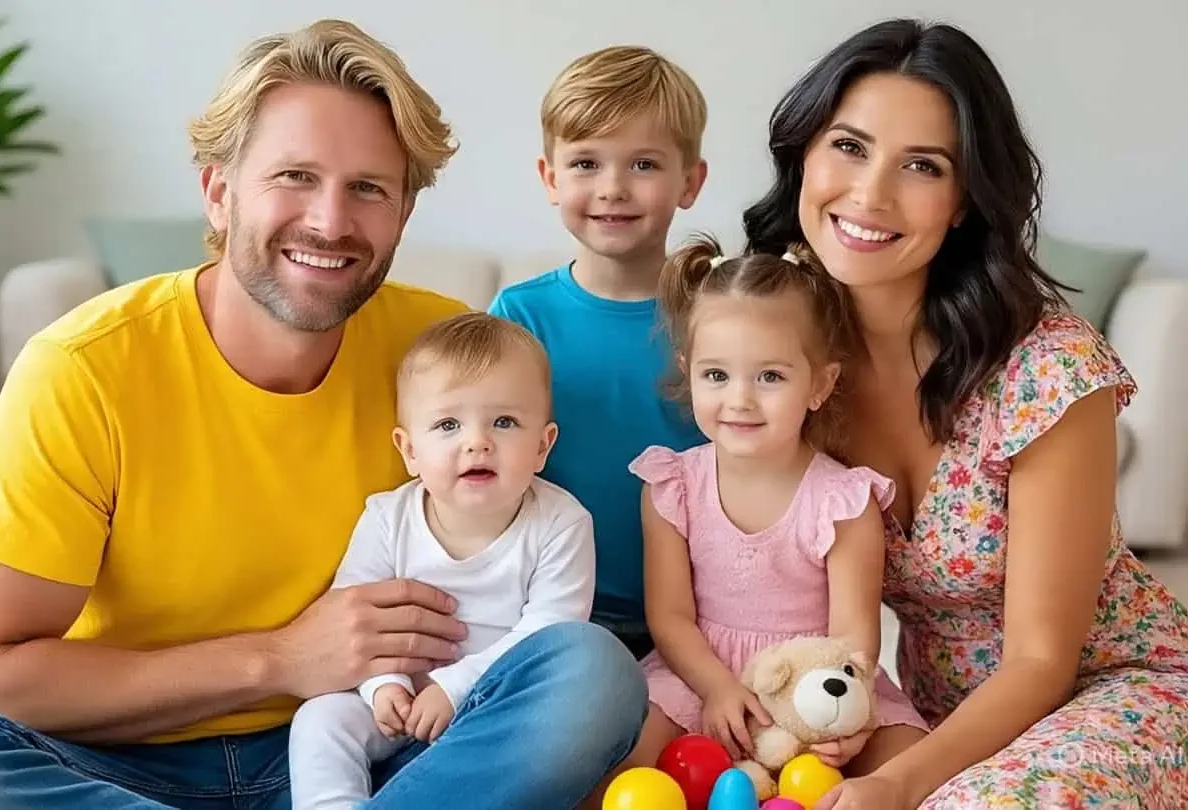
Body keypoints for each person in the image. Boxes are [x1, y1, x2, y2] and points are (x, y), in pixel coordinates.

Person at [0, 19, 647, 810]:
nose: (330, 222)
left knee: (591, 670)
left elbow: (543, 558)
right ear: (219, 193)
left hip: (378, 755)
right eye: (294, 175)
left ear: (402, 214)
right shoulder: (84, 369)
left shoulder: (435, 357)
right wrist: (279, 659)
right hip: (110, 761)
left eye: (368, 187)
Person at [740, 18, 1188, 810]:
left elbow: (1042, 662)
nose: (870, 194)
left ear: (962, 203)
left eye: (922, 165)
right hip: (936, 720)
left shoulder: (1048, 368)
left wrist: (898, 782)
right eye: (849, 146)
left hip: (1117, 693)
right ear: (803, 154)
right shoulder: (784, 370)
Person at [612, 234, 929, 794]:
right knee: (625, 770)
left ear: (820, 385)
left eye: (770, 377)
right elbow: (670, 617)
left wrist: (842, 714)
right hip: (701, 672)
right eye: (717, 375)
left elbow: (855, 637)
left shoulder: (843, 501)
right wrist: (717, 689)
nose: (740, 399)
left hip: (818, 678)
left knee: (917, 766)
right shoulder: (672, 485)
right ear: (688, 372)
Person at [287, 312, 597, 809]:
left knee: (578, 688)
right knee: (321, 720)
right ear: (409, 450)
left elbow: (549, 634)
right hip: (397, 704)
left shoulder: (562, 522)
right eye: (448, 424)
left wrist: (455, 691)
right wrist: (381, 686)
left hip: (496, 710)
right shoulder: (388, 518)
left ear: (543, 445)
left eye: (504, 422)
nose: (477, 441)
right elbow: (353, 617)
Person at [488, 45, 710, 660]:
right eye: (585, 163)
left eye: (644, 164)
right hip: (553, 613)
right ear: (550, 179)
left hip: (704, 617)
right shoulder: (518, 317)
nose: (612, 188)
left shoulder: (721, 316)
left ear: (690, 181)